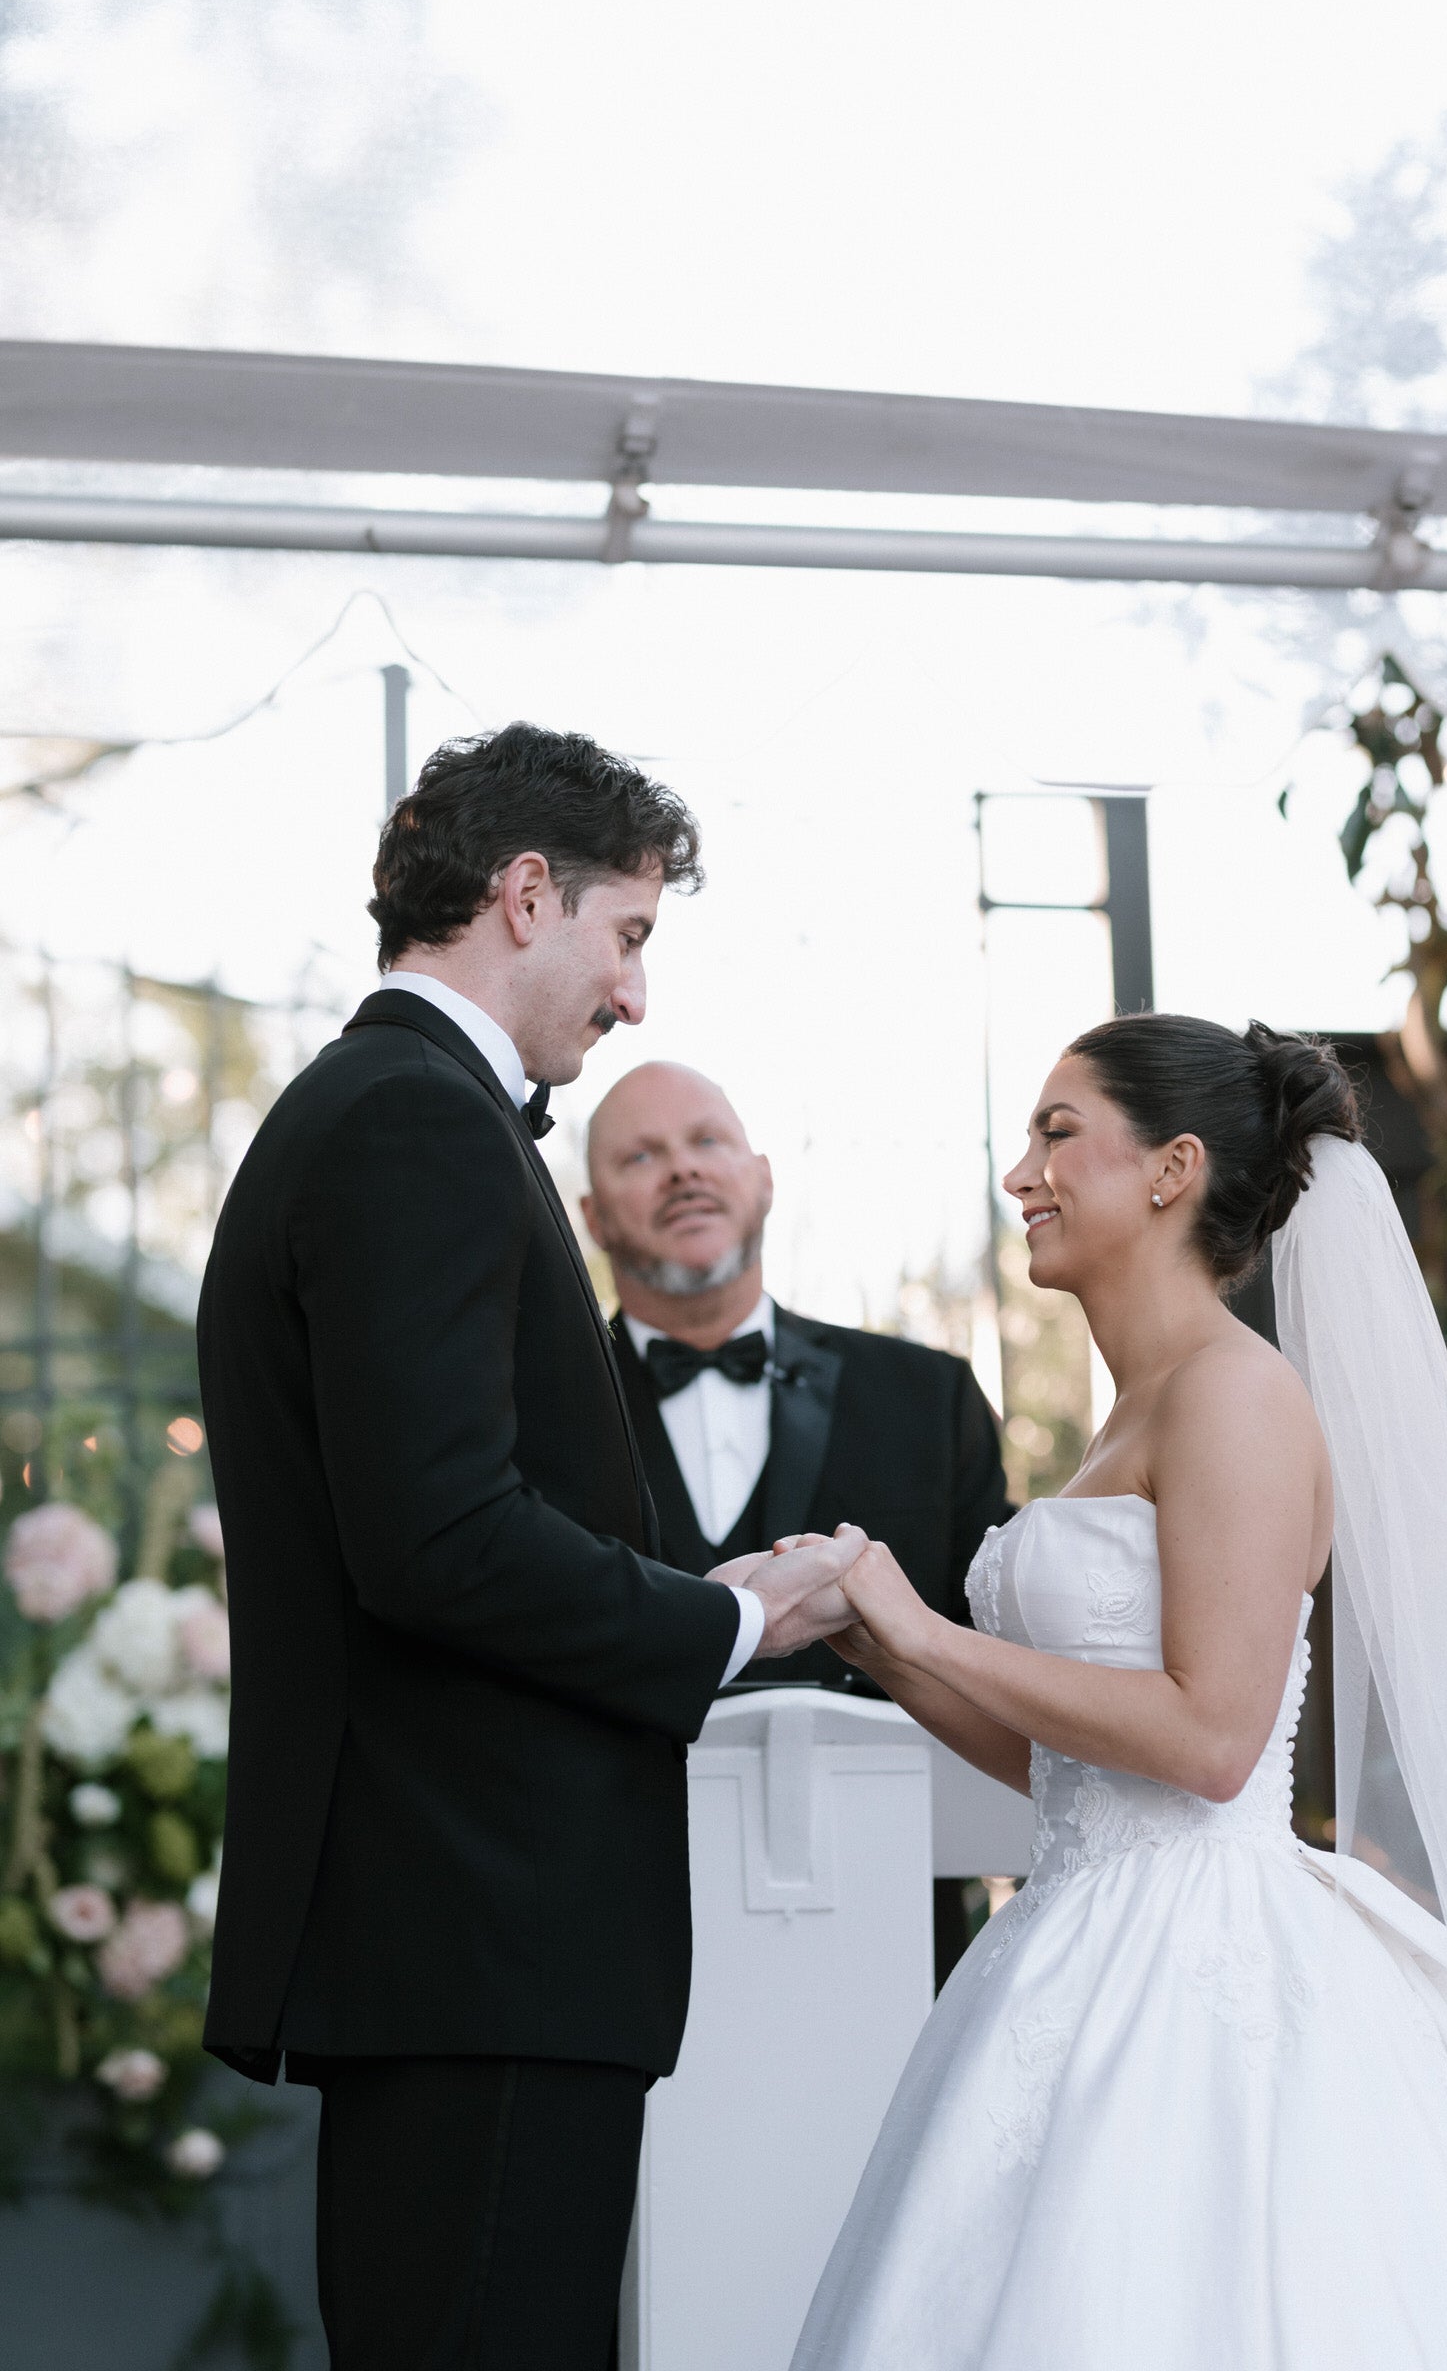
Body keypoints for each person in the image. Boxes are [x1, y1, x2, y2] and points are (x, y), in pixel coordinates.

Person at [788, 1013, 1447, 2368]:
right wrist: (875, 1643)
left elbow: (1213, 1741)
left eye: (1058, 1135)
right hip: (1075, 1935)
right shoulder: (1129, 1409)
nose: (1021, 1177)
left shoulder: (1235, 1395)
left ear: (1171, 1169)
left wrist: (927, 1634)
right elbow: (1072, 1764)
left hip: (1195, 1971)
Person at [196, 724, 864, 2371]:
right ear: (523, 895)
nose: (633, 996)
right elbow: (435, 1534)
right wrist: (717, 1621)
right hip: (482, 1926)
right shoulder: (412, 1123)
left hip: (466, 1936)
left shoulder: (390, 1112)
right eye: (627, 935)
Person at [582, 1060, 1010, 1979]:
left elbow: (999, 1648)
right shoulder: (536, 1411)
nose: (683, 1170)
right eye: (641, 1156)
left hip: (892, 1928)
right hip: (609, 1937)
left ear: (763, 1177)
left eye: (707, 1142)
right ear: (593, 1216)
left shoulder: (925, 1398)